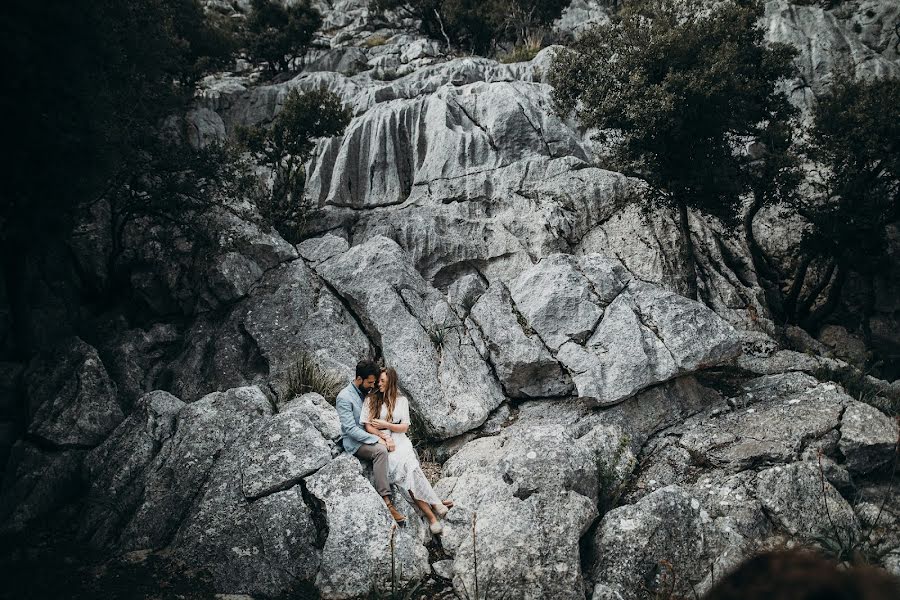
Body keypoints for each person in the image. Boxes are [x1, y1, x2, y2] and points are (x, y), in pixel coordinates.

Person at [361, 366, 454, 535]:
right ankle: (434, 507)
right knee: (407, 474)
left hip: (400, 441)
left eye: (383, 381)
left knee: (410, 469)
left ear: (391, 382)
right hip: (384, 444)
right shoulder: (371, 399)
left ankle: (433, 513)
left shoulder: (401, 400)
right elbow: (368, 426)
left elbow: (404, 427)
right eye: (378, 380)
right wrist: (384, 437)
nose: (378, 384)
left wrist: (386, 425)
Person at [336, 359, 406, 524]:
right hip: (355, 442)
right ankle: (387, 502)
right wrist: (378, 439)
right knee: (381, 452)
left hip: (374, 433)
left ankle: (425, 498)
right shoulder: (344, 397)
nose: (372, 385)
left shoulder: (369, 390)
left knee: (402, 449)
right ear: (359, 379)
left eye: (373, 382)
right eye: (369, 382)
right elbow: (350, 430)